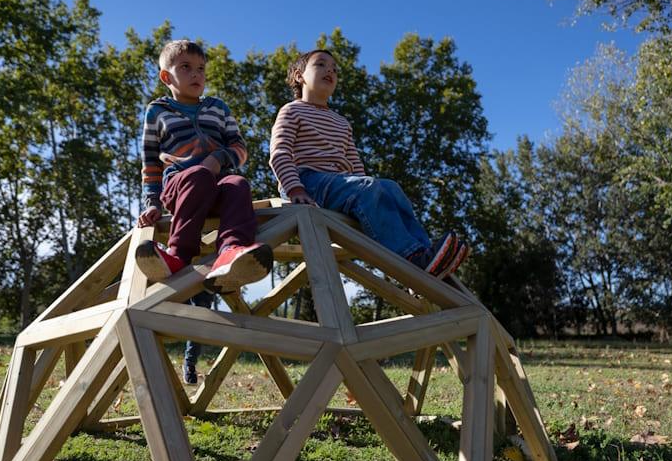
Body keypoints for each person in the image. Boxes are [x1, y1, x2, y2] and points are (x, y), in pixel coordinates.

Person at [269, 49, 468, 277]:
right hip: (307, 182)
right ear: (299, 76)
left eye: (334, 68)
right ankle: (411, 258)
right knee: (369, 188)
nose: (330, 70)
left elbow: (355, 165)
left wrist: (365, 183)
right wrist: (295, 188)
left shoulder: (341, 122)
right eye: (321, 65)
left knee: (391, 187)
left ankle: (426, 253)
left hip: (340, 184)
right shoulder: (292, 110)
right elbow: (280, 152)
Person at [137, 39, 273, 294]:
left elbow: (239, 148)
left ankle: (230, 254)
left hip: (218, 183)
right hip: (180, 185)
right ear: (166, 76)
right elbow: (151, 160)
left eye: (201, 68)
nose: (196, 74)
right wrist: (152, 202)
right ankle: (178, 255)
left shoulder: (217, 108)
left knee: (237, 183)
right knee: (198, 174)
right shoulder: (157, 111)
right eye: (186, 67)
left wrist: (219, 158)